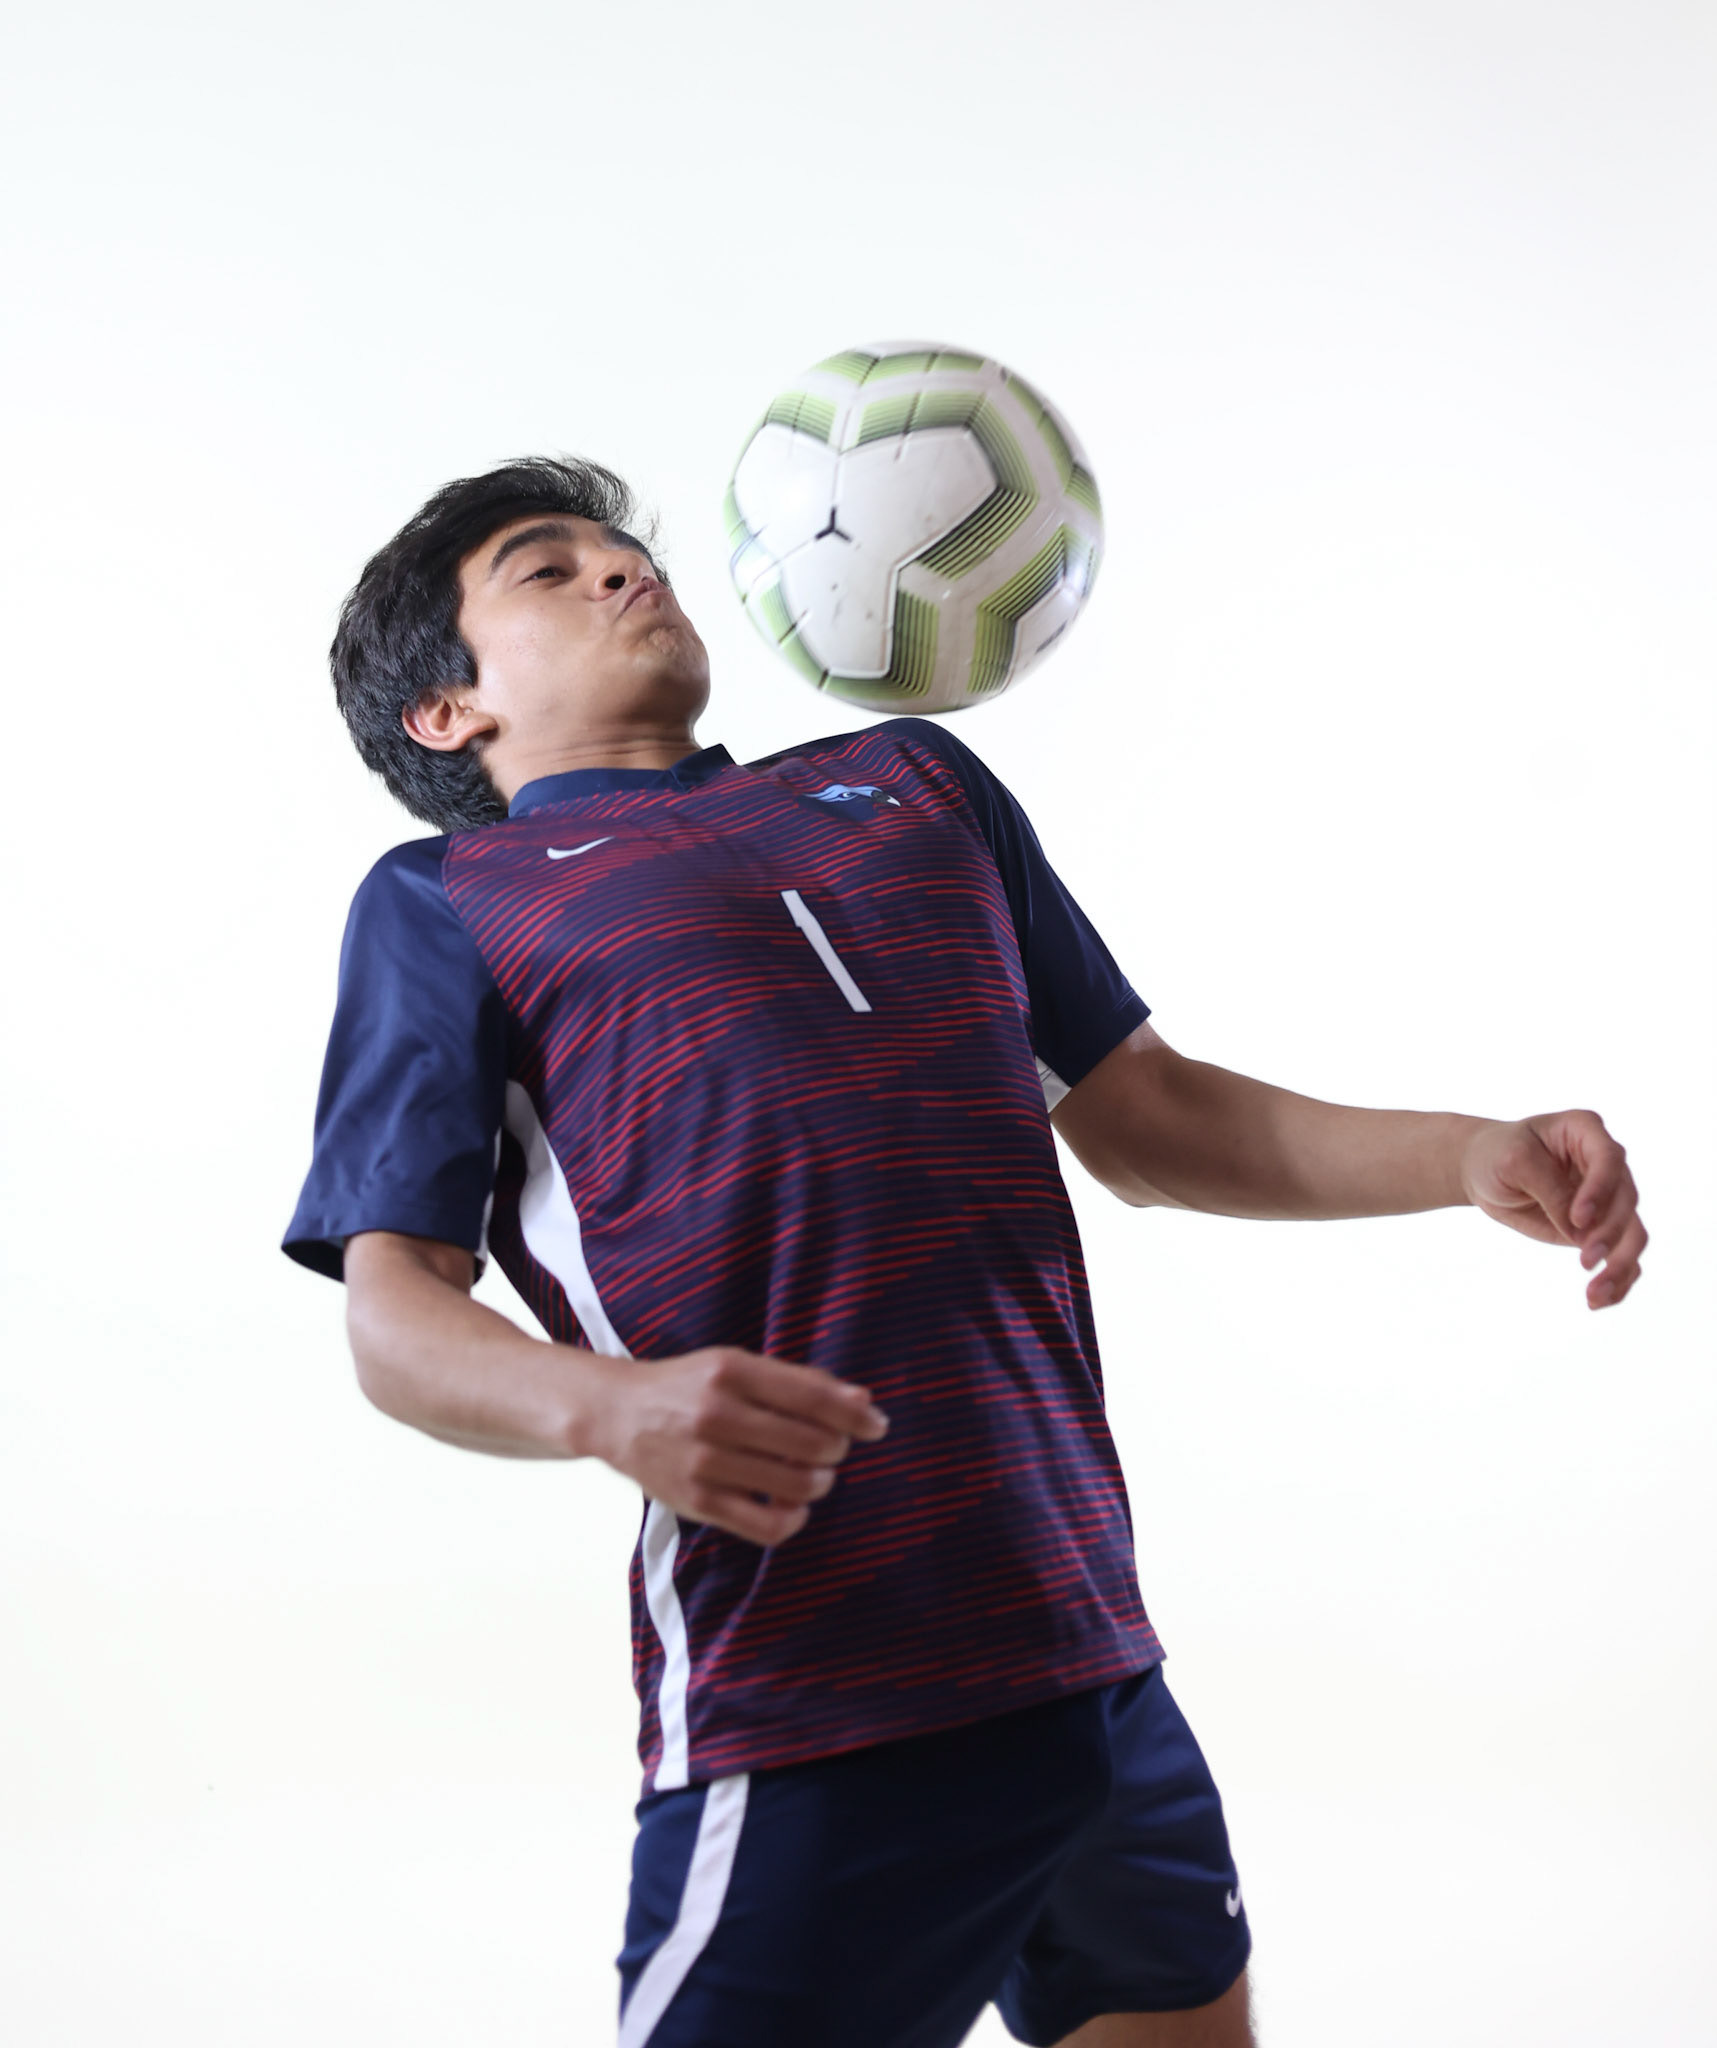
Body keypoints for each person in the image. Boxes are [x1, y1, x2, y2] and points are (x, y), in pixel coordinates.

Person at [283, 456, 1646, 2048]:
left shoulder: (917, 784)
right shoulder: (449, 900)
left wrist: (1464, 1154)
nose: (613, 571)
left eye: (619, 549)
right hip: (816, 1688)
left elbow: (1148, 1117)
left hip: (1086, 1651)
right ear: (445, 715)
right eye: (544, 568)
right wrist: (610, 1408)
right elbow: (392, 1313)